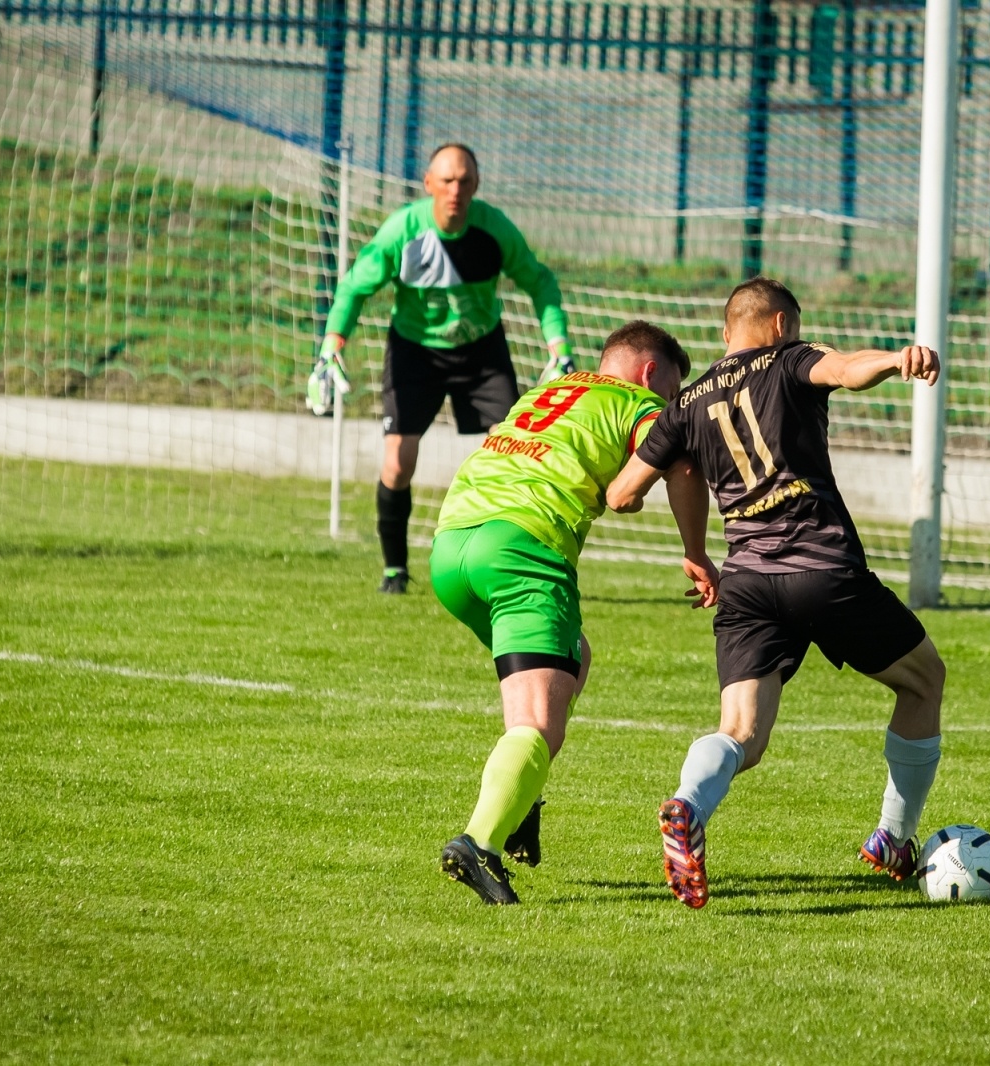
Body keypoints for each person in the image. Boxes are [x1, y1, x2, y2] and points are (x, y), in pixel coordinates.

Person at [606, 276, 945, 909]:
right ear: (782, 326)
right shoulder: (789, 359)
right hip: (823, 570)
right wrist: (897, 360)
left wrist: (693, 545)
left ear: (725, 332)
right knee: (925, 680)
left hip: (747, 585)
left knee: (741, 734)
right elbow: (846, 369)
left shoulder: (686, 403)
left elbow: (622, 494)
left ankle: (688, 806)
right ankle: (894, 839)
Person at [430, 321, 701, 905]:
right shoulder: (639, 403)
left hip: (451, 547)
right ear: (650, 373)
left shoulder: (550, 389)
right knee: (536, 723)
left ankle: (522, 800)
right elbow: (678, 462)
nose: (671, 403)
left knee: (574, 654)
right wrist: (696, 552)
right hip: (522, 550)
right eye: (672, 390)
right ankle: (479, 843)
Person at [310, 143, 573, 594]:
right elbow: (354, 287)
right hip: (415, 352)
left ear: (476, 185)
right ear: (429, 183)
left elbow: (540, 281)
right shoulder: (403, 231)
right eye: (447, 180)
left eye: (465, 181)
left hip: (481, 351)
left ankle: (508, 564)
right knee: (398, 463)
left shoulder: (494, 230)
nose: (456, 190)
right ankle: (395, 570)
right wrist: (331, 347)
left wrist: (558, 346)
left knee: (514, 455)